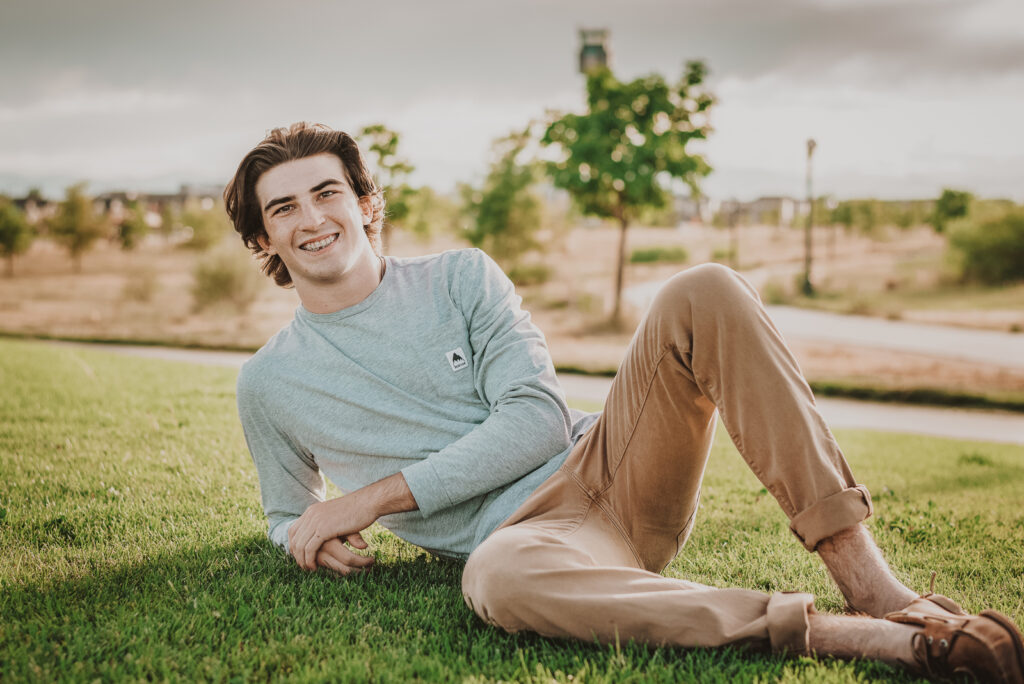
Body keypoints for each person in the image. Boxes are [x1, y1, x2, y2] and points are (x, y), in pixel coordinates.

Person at [225, 122, 1024, 683]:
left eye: (326, 192)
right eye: (283, 208)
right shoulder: (270, 383)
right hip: (534, 544)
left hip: (612, 463)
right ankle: (860, 638)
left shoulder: (462, 276)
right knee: (496, 583)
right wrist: (305, 535)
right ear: (263, 242)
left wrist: (363, 502)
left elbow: (535, 419)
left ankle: (873, 586)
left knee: (702, 287)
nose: (312, 219)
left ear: (366, 204)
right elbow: (284, 513)